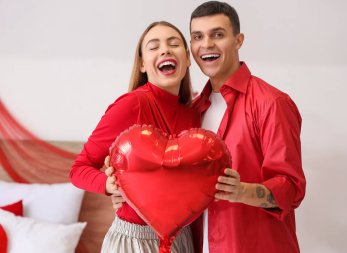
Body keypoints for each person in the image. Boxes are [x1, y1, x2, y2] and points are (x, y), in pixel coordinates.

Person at [70, 21, 199, 253]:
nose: (165, 50)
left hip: (182, 239)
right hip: (135, 242)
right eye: (153, 46)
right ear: (141, 64)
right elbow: (79, 169)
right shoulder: (132, 105)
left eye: (174, 43)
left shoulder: (194, 115)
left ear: (188, 58)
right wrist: (110, 185)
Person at [188, 1, 306, 253]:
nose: (206, 44)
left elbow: (292, 189)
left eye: (217, 34)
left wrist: (242, 191)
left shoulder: (273, 103)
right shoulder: (194, 110)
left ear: (238, 40)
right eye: (198, 37)